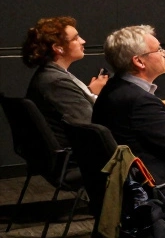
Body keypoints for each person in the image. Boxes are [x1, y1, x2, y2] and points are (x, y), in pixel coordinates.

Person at [92, 25, 165, 208]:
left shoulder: (113, 88)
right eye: (159, 50)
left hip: (130, 183)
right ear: (139, 61)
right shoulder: (139, 102)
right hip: (158, 188)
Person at [22, 16, 109, 148]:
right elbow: (91, 128)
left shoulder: (51, 74)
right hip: (80, 160)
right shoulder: (55, 82)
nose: (83, 41)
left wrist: (90, 92)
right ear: (58, 48)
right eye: (75, 38)